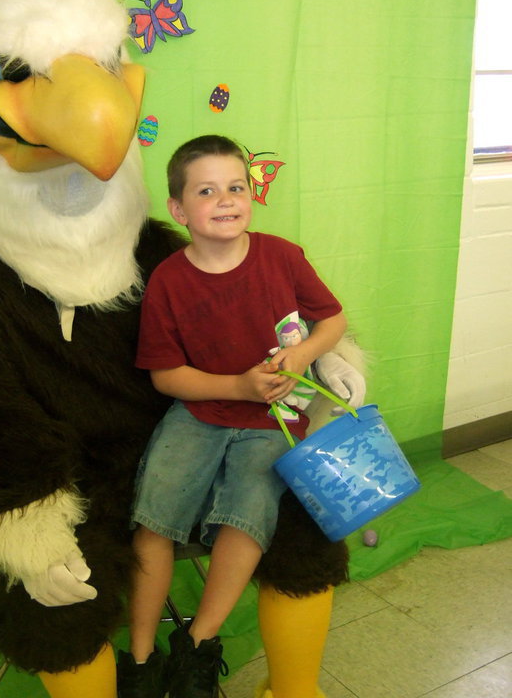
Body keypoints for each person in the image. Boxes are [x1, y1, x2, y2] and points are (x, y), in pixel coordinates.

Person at [117, 134, 348, 698]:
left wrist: (301, 355)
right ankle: (143, 657)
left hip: (274, 420)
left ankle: (199, 643)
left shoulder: (282, 256)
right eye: (207, 190)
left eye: (236, 187)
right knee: (154, 521)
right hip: (198, 413)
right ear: (178, 209)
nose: (225, 200)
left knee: (248, 513)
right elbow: (166, 376)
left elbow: (332, 319)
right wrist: (238, 386)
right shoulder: (169, 280)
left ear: (252, 194)